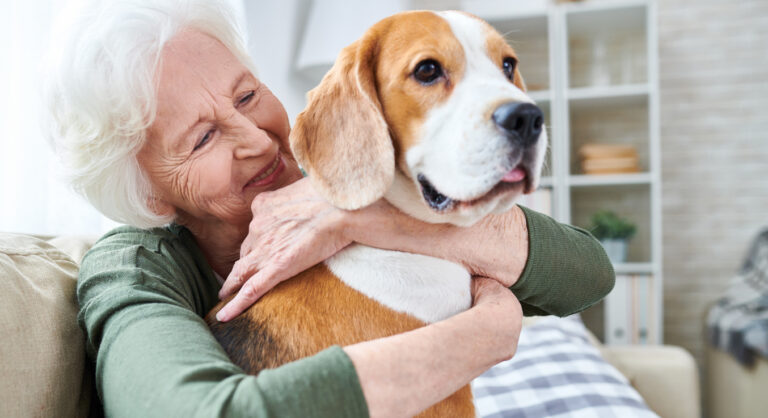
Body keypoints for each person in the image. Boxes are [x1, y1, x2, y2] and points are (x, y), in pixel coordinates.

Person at [46, 1, 615, 416]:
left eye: (247, 96)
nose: (258, 138)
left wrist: (360, 215)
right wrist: (488, 332)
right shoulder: (132, 269)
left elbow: (588, 273)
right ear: (150, 192)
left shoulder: (354, 178)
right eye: (202, 139)